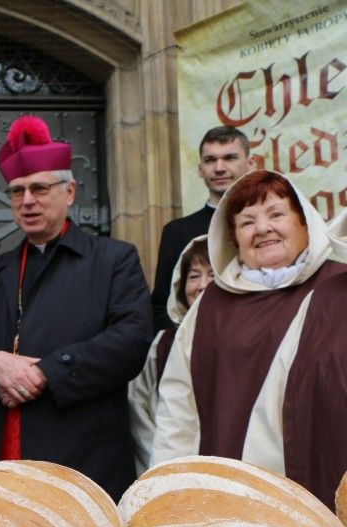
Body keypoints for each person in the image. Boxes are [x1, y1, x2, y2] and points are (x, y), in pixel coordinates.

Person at [0, 115, 152, 502]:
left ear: (69, 192)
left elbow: (131, 340)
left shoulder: (113, 260)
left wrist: (46, 373)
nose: (27, 201)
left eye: (39, 188)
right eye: (17, 191)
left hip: (80, 454)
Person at [151, 170, 347, 480]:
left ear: (304, 222)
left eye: (276, 214)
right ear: (233, 238)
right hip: (230, 485)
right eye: (246, 222)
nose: (263, 228)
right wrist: (167, 483)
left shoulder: (337, 287)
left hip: (322, 477)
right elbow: (178, 408)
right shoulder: (211, 305)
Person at [229, 208, 347, 508]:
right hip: (329, 498)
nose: (263, 229)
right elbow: (273, 415)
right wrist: (260, 505)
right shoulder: (323, 302)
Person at [151, 126, 253, 331]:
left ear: (250, 164)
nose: (219, 168)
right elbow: (160, 306)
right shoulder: (176, 232)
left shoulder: (265, 227)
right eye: (210, 160)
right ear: (200, 169)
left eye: (230, 158)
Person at [128, 236, 212, 474]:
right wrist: (162, 469)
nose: (202, 285)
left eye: (213, 275)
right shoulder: (163, 344)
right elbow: (139, 410)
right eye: (194, 276)